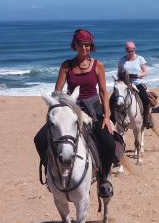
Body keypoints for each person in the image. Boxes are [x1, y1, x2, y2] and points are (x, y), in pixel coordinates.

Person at [34, 28, 116, 198]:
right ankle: (51, 173)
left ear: (90, 47)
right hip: (71, 109)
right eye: (80, 45)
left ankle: (104, 179)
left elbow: (103, 93)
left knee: (109, 143)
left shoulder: (98, 65)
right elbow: (57, 92)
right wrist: (56, 111)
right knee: (40, 139)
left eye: (87, 45)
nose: (84, 48)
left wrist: (107, 117)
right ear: (75, 45)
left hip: (93, 111)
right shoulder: (66, 66)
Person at [117, 41, 153, 129]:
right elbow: (118, 73)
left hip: (137, 83)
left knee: (146, 100)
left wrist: (136, 75)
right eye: (128, 51)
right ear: (126, 50)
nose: (130, 52)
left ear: (134, 49)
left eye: (132, 50)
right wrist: (123, 77)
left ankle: (146, 119)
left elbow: (145, 72)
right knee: (113, 100)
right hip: (125, 84)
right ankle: (114, 118)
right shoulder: (122, 60)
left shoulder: (140, 59)